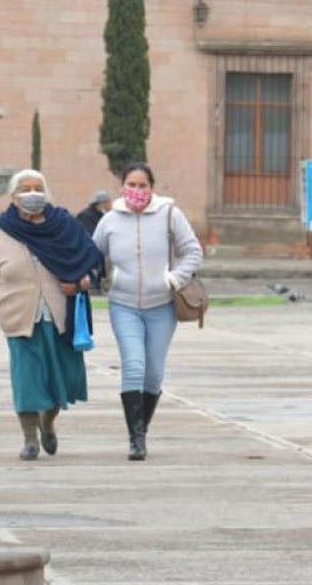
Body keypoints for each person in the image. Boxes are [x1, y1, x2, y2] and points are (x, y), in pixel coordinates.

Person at [0, 169, 102, 461]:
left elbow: (89, 263)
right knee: (27, 379)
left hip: (60, 317)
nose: (32, 194)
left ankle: (48, 421)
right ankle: (30, 438)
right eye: (25, 189)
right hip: (19, 317)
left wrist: (80, 283)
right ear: (13, 196)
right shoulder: (0, 230)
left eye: (37, 187)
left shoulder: (64, 224)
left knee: (60, 381)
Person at [92, 162, 202, 461]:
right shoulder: (110, 220)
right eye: (131, 185)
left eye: (143, 186)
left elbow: (193, 251)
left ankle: (142, 427)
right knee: (134, 364)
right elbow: (92, 253)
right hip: (123, 304)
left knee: (153, 373)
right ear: (122, 187)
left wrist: (175, 278)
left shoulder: (169, 214)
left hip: (161, 306)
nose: (137, 191)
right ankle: (135, 438)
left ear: (151, 188)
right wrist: (94, 276)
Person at [77, 190, 113, 292]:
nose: (111, 205)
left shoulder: (104, 216)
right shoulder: (86, 216)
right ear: (102, 203)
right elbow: (92, 235)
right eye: (108, 202)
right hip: (89, 253)